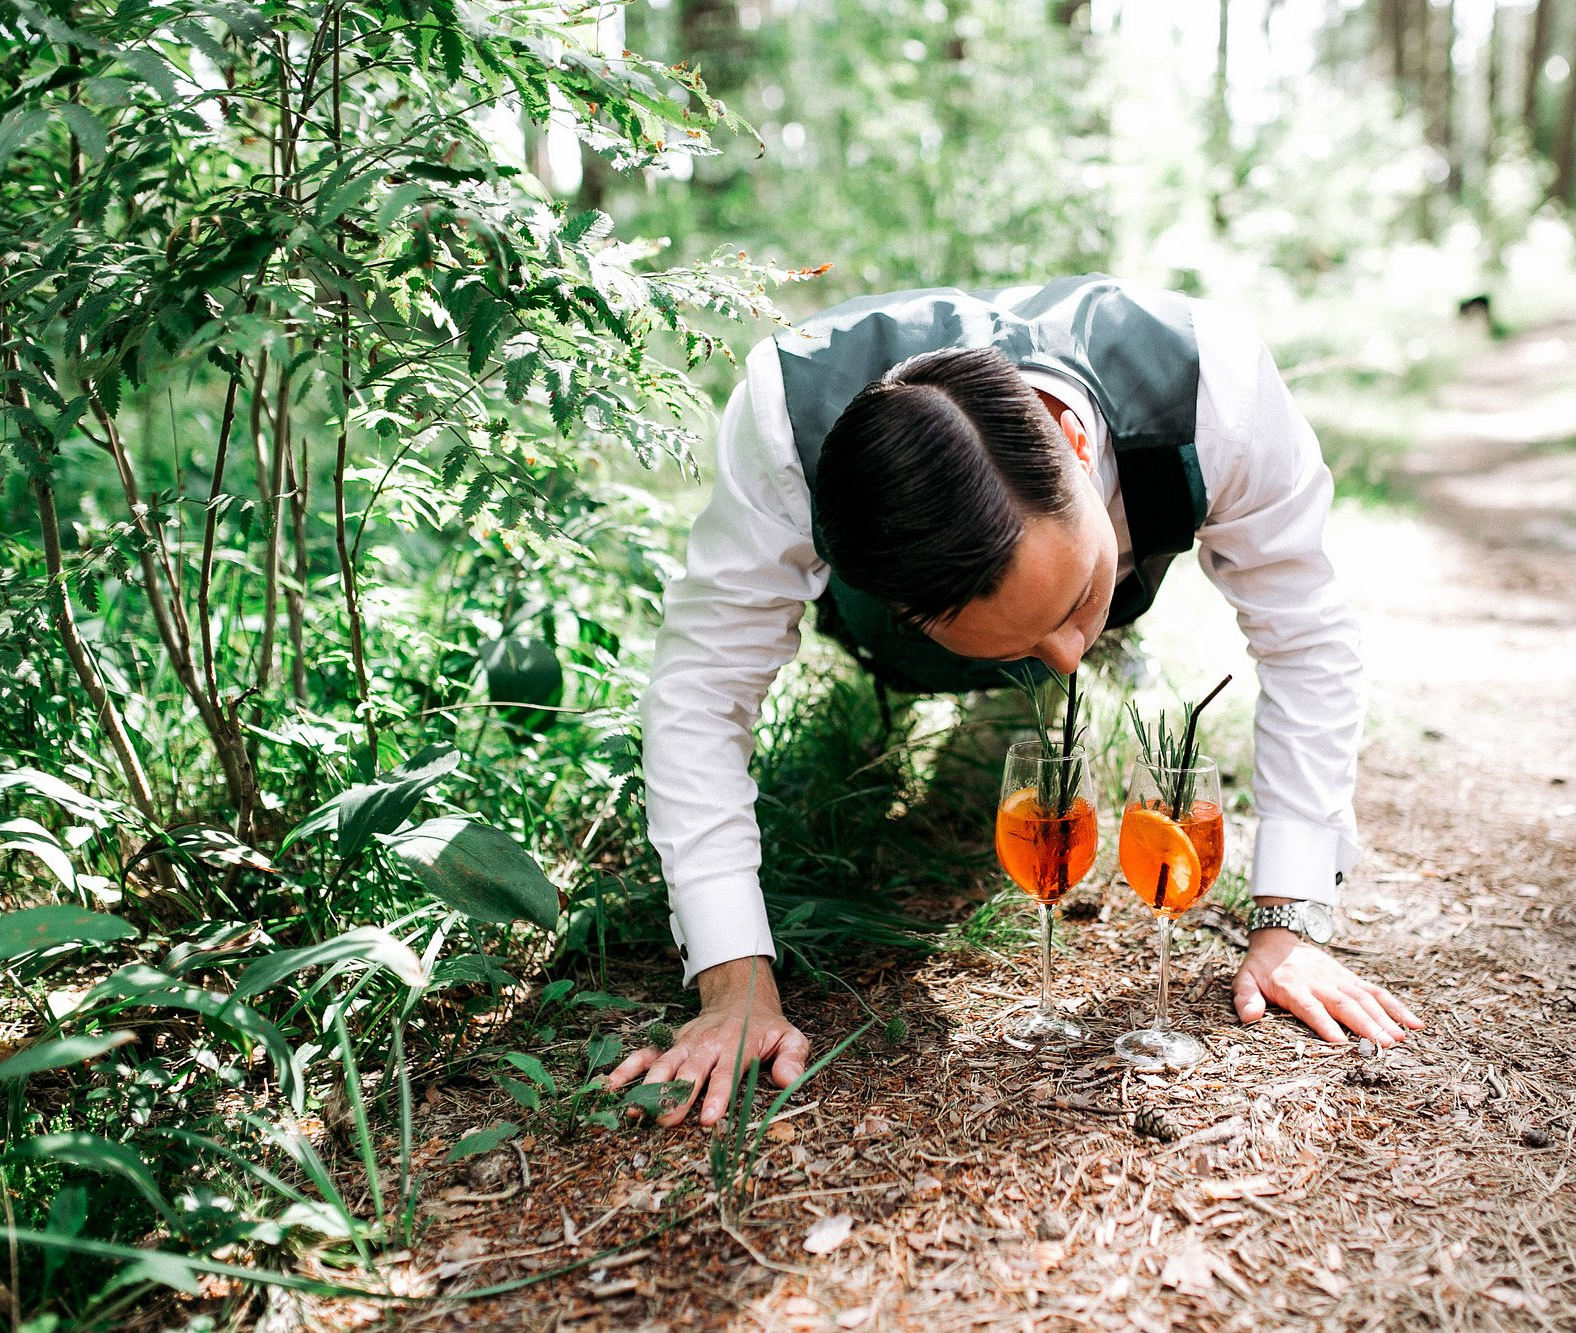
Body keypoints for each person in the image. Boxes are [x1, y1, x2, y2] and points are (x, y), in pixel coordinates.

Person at [608, 275, 1424, 1127]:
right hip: (889, 649)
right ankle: (995, 636)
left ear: (1078, 443)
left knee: (1043, 679)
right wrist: (734, 983)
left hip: (1107, 523)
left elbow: (1308, 638)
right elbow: (701, 695)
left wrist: (1287, 923)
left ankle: (1093, 630)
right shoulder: (784, 420)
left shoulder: (1216, 386)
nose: (1069, 657)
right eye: (1037, 638)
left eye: (1075, 601)